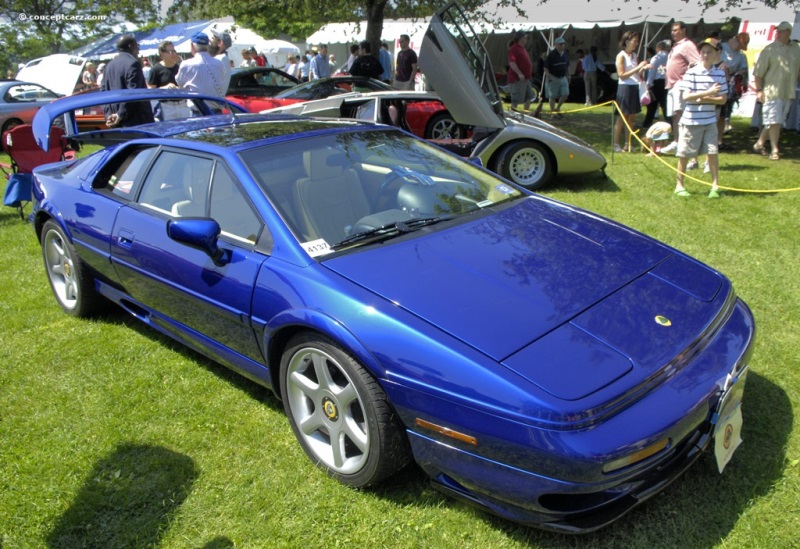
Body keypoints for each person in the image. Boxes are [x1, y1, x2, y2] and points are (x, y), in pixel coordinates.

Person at [673, 39, 728, 198]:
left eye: (709, 52)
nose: (705, 55)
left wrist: (702, 99)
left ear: (717, 54)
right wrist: (709, 93)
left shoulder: (719, 73)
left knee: (712, 153)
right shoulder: (692, 72)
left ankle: (715, 186)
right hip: (691, 121)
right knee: (684, 154)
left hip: (710, 120)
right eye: (703, 51)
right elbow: (686, 97)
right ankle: (679, 185)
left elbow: (723, 99)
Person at [752, 22, 800, 161]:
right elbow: (758, 73)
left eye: (782, 31)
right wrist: (759, 90)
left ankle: (759, 143)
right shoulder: (769, 49)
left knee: (776, 121)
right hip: (771, 91)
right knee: (774, 121)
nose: (778, 33)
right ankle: (775, 149)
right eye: (777, 31)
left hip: (789, 91)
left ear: (789, 32)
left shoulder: (796, 49)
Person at [661, 22, 700, 155]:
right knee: (674, 116)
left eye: (676, 30)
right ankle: (677, 142)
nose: (673, 33)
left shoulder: (687, 45)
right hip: (671, 85)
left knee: (680, 114)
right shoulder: (676, 46)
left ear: (684, 30)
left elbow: (697, 63)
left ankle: (684, 143)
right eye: (672, 31)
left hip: (680, 84)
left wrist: (686, 78)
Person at [101, 35, 154, 128]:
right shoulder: (133, 64)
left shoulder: (109, 66)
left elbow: (103, 92)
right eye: (137, 46)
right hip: (136, 122)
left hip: (115, 122)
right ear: (130, 46)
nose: (138, 51)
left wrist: (109, 115)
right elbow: (132, 92)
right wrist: (120, 115)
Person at [613, 31, 649, 152]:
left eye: (637, 41)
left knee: (632, 117)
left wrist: (643, 69)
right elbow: (622, 75)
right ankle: (616, 144)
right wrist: (638, 67)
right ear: (627, 41)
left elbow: (635, 73)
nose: (636, 44)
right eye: (634, 41)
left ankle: (628, 144)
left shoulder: (634, 55)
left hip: (634, 87)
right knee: (622, 117)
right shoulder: (621, 55)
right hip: (625, 88)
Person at [176, 32, 227, 99]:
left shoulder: (186, 64)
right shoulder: (219, 63)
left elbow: (179, 82)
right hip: (217, 106)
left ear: (192, 46)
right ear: (208, 46)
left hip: (197, 107)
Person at [719, 32, 750, 137]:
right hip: (718, 83)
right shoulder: (721, 48)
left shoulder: (741, 55)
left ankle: (725, 125)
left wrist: (738, 74)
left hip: (731, 84)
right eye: (740, 46)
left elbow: (744, 69)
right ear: (735, 40)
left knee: (728, 105)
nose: (740, 48)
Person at [148, 40, 186, 120]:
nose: (174, 54)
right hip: (166, 106)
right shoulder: (156, 70)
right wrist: (165, 88)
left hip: (182, 104)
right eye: (170, 52)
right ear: (162, 53)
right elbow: (151, 90)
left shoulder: (180, 68)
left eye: (174, 51)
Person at [642, 40, 670, 128]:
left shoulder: (655, 58)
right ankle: (670, 122)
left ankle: (647, 123)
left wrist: (648, 83)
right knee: (665, 104)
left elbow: (652, 71)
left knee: (652, 106)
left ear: (658, 48)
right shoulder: (669, 57)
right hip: (665, 82)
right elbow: (662, 71)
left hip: (656, 83)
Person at [507, 31, 534, 112]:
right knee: (516, 100)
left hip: (526, 79)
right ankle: (512, 115)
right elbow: (512, 62)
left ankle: (525, 114)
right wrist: (519, 73)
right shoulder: (514, 48)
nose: (526, 39)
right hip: (517, 79)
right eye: (525, 38)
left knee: (529, 97)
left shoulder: (523, 49)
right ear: (520, 39)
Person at [544, 36, 569, 117]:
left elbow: (567, 65)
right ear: (556, 45)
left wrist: (568, 75)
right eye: (560, 44)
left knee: (565, 94)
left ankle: (557, 108)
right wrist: (548, 75)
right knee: (552, 96)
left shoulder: (565, 54)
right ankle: (553, 113)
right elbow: (546, 67)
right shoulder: (551, 55)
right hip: (553, 77)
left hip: (563, 77)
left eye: (563, 44)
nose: (562, 46)